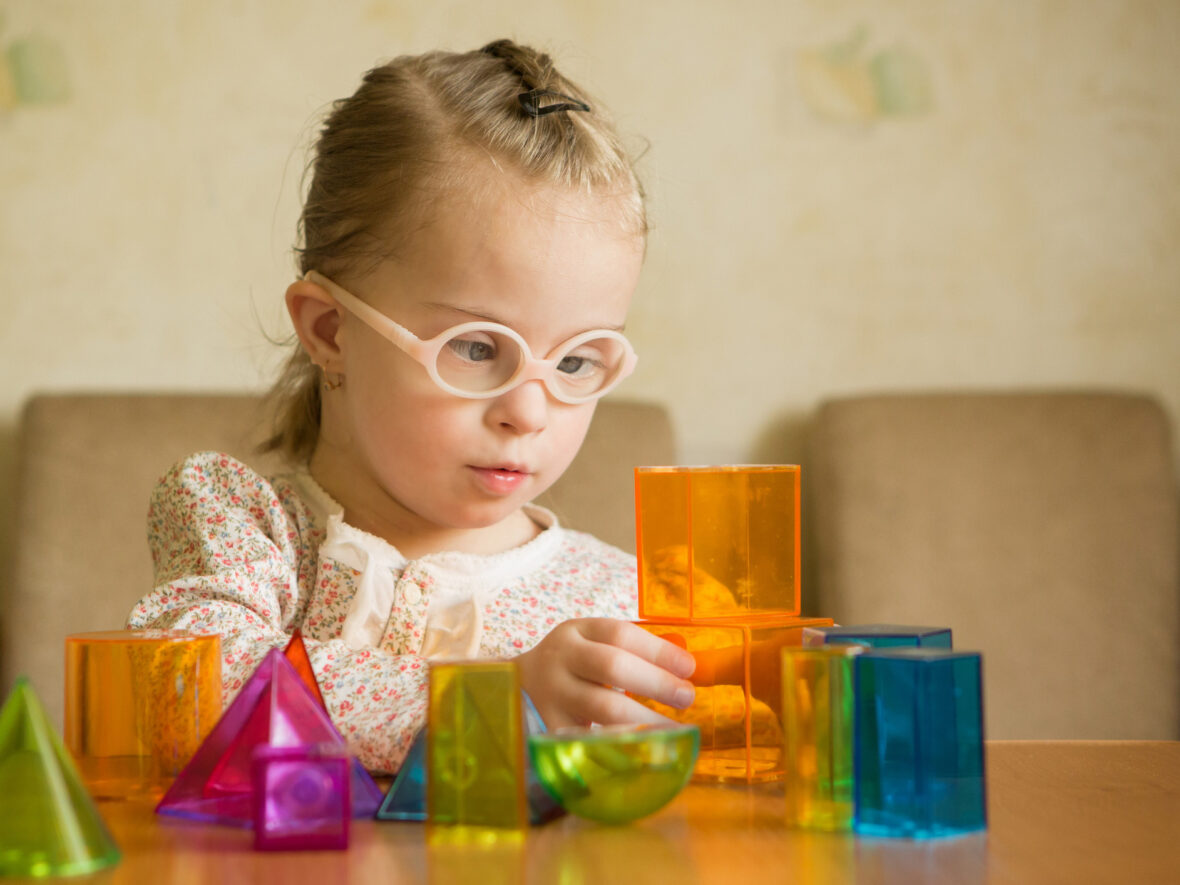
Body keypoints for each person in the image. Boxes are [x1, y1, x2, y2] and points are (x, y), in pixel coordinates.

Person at [127, 39, 696, 773]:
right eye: (478, 347)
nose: (528, 411)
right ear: (331, 331)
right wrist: (490, 700)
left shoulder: (621, 602)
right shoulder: (242, 531)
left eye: (578, 359)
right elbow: (194, 692)